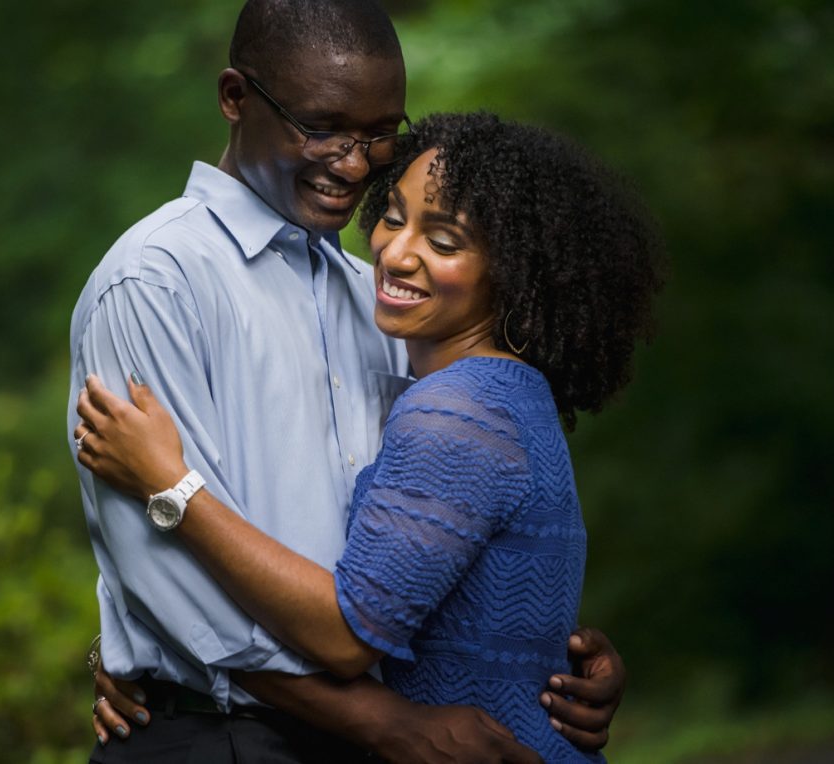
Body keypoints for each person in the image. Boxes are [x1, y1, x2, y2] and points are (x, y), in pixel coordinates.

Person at [65, 3, 625, 761]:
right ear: (235, 98)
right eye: (322, 127)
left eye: (379, 134)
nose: (357, 163)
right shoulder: (155, 283)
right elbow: (168, 586)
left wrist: (539, 660)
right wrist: (378, 721)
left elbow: (440, 540)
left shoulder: (384, 302)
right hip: (228, 738)